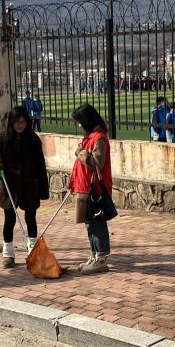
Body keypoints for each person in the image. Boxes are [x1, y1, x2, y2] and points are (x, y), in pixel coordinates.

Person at [0, 106, 49, 268]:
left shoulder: (33, 140)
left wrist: (43, 188)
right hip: (9, 185)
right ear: (11, 122)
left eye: (24, 122)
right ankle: (8, 253)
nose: (21, 125)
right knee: (10, 219)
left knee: (31, 219)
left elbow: (41, 165)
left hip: (29, 185)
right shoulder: (0, 139)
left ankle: (32, 252)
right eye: (17, 122)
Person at [70, 103, 113, 275]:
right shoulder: (90, 137)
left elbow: (97, 163)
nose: (79, 125)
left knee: (97, 223)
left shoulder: (99, 138)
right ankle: (95, 254)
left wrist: (81, 152)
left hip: (95, 189)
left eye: (80, 122)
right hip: (85, 187)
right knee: (90, 224)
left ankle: (101, 257)